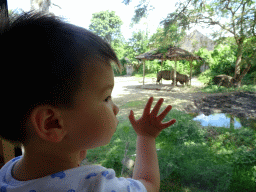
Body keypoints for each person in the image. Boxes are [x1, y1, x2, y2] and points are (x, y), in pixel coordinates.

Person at [0, 10, 176, 192]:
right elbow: (148, 184)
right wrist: (146, 136)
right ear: (52, 123)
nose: (115, 108)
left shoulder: (7, 173)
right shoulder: (97, 185)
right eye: (106, 97)